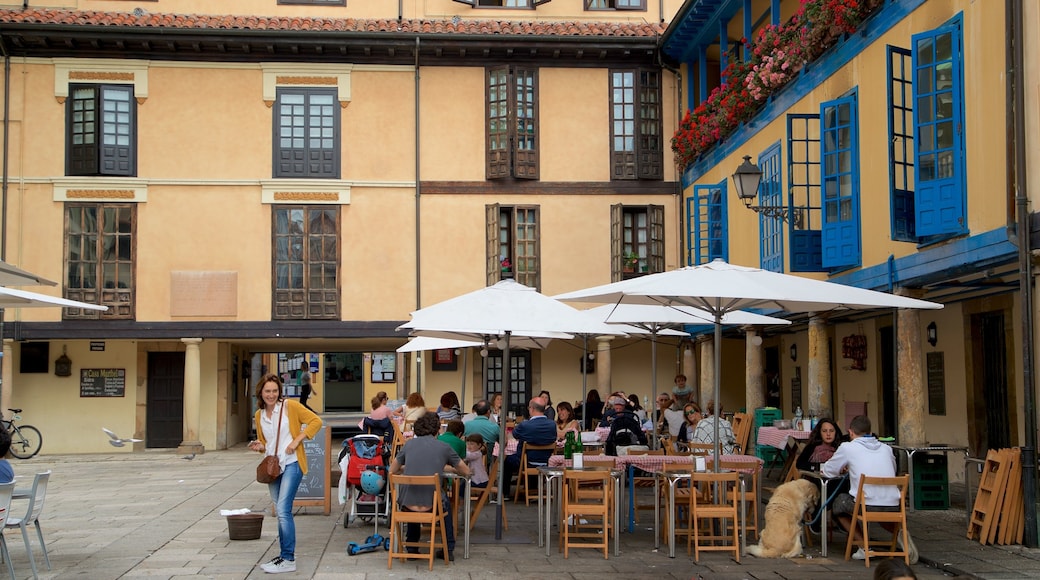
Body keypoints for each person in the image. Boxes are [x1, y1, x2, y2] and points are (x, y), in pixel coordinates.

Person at [248, 373, 323, 574]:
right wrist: (259, 446)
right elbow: (267, 443)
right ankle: (283, 556)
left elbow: (315, 421)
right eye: (267, 391)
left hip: (292, 463)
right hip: (274, 467)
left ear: (279, 391)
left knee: (283, 510)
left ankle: (288, 558)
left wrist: (297, 440)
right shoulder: (259, 415)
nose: (271, 395)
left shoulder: (290, 406)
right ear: (261, 393)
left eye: (274, 391)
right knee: (281, 513)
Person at [821, 415, 917, 563]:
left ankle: (864, 547)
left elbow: (829, 471)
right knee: (880, 508)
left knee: (838, 504)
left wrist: (845, 469)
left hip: (866, 504)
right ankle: (900, 533)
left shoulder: (848, 447)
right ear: (870, 432)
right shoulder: (886, 449)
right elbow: (891, 469)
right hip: (893, 505)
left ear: (851, 432)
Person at [388, 412, 470, 562]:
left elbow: (392, 470)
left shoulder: (409, 445)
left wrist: (410, 467)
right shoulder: (444, 447)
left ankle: (411, 546)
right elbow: (466, 471)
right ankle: (448, 547)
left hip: (406, 504)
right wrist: (443, 467)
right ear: (438, 429)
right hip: (432, 506)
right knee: (444, 501)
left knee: (414, 492)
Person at [502, 396, 556, 498]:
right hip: (547, 461)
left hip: (526, 462)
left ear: (532, 409)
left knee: (508, 461)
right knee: (530, 456)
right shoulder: (552, 425)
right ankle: (532, 489)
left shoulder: (525, 425)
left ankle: (505, 494)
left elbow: (514, 435)